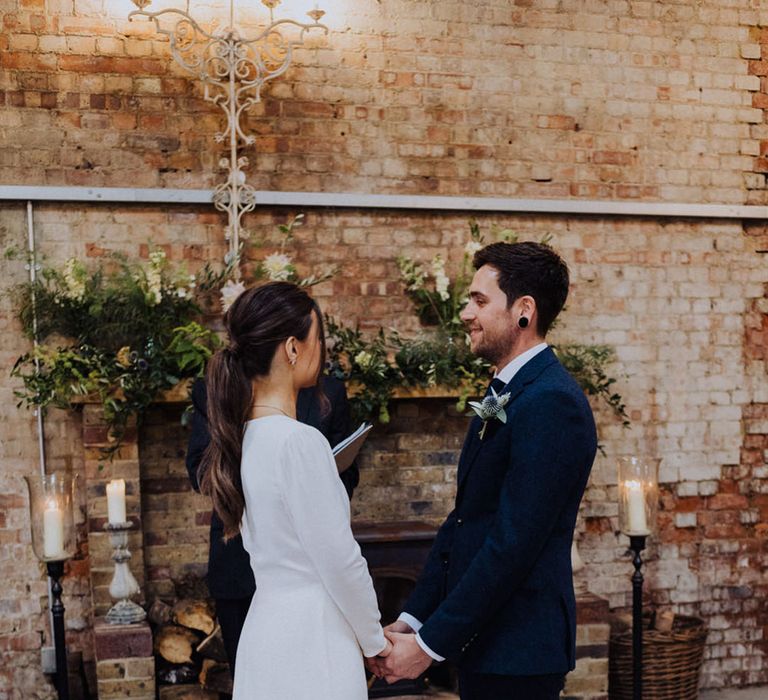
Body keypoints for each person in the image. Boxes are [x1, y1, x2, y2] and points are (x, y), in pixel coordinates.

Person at [372, 242, 598, 700]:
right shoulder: (509, 390)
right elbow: (465, 521)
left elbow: (512, 545)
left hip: (520, 650)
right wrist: (414, 618)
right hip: (487, 644)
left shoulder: (553, 402)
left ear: (524, 311)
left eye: (479, 300)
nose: (464, 313)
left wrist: (429, 647)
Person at [197, 281, 389, 699]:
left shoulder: (241, 438)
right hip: (311, 639)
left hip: (265, 633)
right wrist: (375, 641)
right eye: (318, 339)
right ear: (292, 348)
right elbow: (341, 561)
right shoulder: (299, 442)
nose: (322, 351)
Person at [186, 373, 359, 672]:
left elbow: (349, 473)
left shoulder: (330, 391)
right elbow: (199, 471)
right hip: (238, 563)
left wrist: (316, 489)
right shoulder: (214, 389)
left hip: (313, 575)